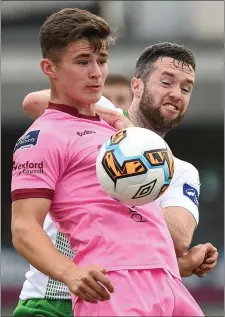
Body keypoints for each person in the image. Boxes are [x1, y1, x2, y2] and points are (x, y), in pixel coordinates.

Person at [10, 6, 215, 315]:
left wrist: (180, 263)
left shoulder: (118, 129)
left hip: (168, 282)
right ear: (50, 68)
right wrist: (70, 272)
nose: (97, 73)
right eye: (83, 62)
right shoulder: (43, 137)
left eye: (102, 61)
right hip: (114, 286)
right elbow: (24, 228)